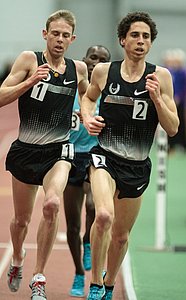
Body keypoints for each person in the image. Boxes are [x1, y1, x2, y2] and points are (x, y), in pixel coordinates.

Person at [81, 11, 180, 299]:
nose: (140, 41)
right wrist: (88, 118)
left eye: (146, 37)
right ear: (122, 40)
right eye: (135, 35)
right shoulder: (104, 72)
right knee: (102, 215)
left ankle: (109, 283)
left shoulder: (161, 76)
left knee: (121, 236)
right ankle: (96, 286)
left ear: (151, 44)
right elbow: (88, 98)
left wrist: (158, 100)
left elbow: (172, 128)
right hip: (105, 157)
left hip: (136, 165)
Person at [0, 10, 88, 300]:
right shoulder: (29, 59)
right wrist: (29, 82)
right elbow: (1, 96)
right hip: (27, 149)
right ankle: (17, 259)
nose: (60, 39)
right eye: (55, 34)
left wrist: (87, 116)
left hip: (59, 150)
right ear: (45, 34)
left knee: (51, 204)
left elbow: (90, 97)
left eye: (66, 35)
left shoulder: (78, 69)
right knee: (21, 221)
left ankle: (39, 276)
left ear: (72, 39)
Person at [64, 45, 111, 297]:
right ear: (84, 59)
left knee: (94, 207)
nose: (96, 62)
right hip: (69, 157)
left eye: (103, 60)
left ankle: (89, 244)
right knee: (72, 223)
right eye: (93, 57)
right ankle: (79, 272)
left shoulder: (105, 93)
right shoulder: (71, 88)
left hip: (96, 155)